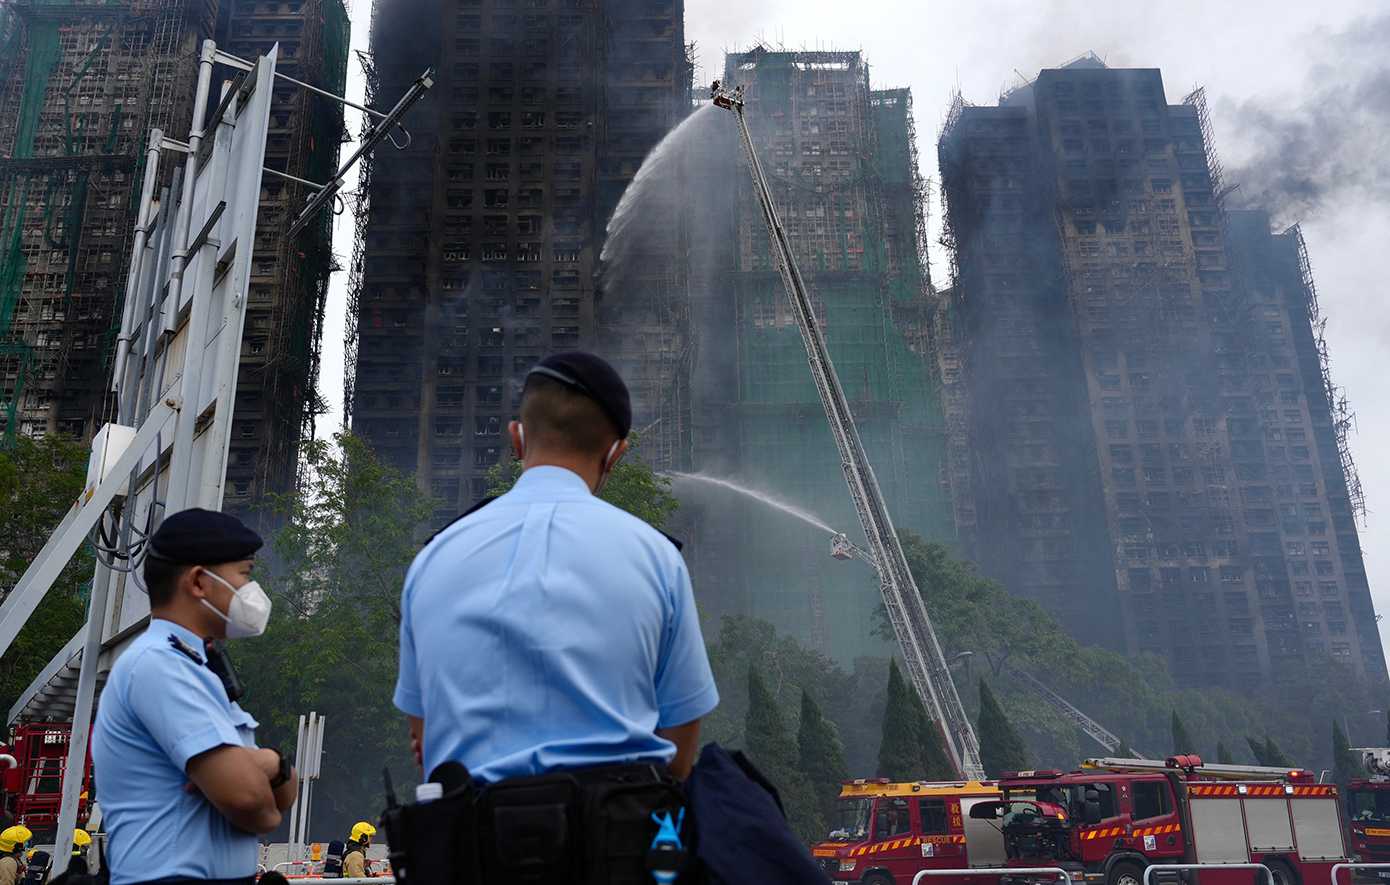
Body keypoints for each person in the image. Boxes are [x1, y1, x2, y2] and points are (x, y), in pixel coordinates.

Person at [393, 351, 719, 874]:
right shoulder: (656, 558)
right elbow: (680, 756)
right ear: (616, 454)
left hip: (471, 855)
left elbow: (426, 739)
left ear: (516, 437)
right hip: (618, 853)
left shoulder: (432, 561)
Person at [91, 508, 299, 885]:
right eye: (246, 575)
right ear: (199, 582)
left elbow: (280, 797)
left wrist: (272, 763)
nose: (253, 592)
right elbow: (252, 801)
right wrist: (263, 772)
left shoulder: (197, 666)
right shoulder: (159, 665)